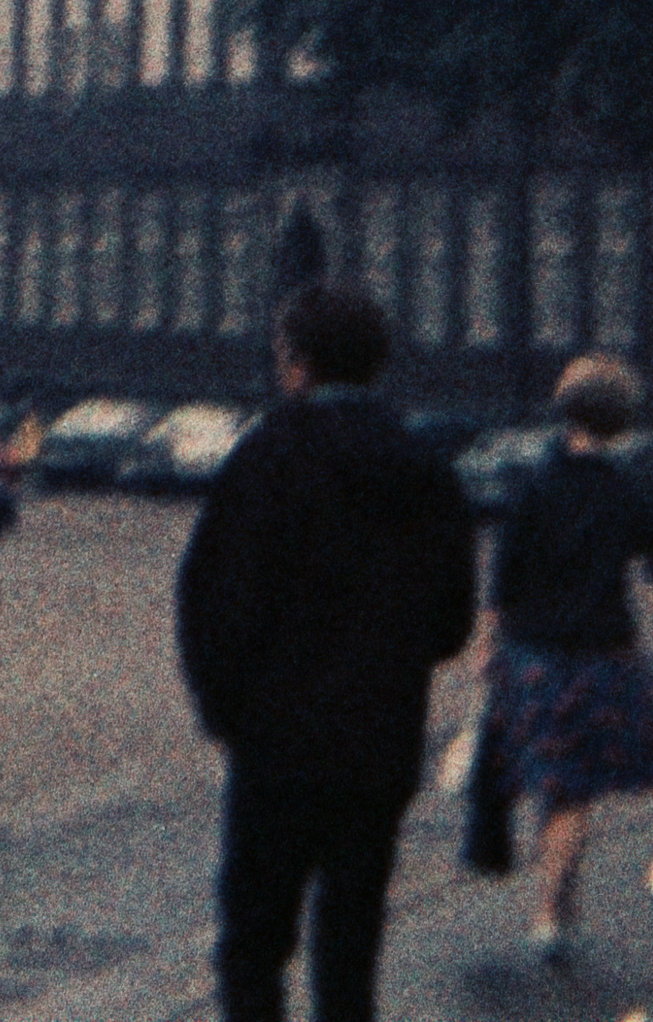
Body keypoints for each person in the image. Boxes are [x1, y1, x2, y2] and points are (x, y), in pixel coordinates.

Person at [175, 286, 477, 1022]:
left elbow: (212, 596)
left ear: (297, 364)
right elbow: (451, 619)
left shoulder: (267, 454)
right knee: (349, 948)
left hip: (276, 741)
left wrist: (223, 708)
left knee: (252, 944)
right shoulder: (424, 465)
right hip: (379, 738)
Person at [477, 354, 653, 962]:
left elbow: (505, 568)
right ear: (622, 420)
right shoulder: (625, 490)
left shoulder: (534, 484)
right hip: (599, 655)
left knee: (554, 788)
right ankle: (554, 912)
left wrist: (489, 641)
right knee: (572, 794)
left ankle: (552, 911)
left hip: (534, 654)